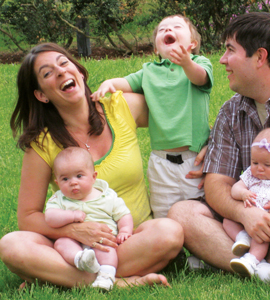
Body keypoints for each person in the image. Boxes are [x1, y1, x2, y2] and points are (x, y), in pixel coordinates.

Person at [0, 42, 184, 289]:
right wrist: (75, 232)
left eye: (64, 63)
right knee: (11, 245)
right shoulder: (42, 145)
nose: (61, 71)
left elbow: (179, 117)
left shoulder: (121, 107)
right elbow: (28, 217)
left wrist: (205, 144)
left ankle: (58, 277)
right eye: (47, 73)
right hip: (76, 248)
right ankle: (117, 282)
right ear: (41, 94)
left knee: (169, 232)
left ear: (79, 71)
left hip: (129, 240)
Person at [168, 12, 270, 293]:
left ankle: (236, 260)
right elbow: (217, 186)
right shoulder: (231, 111)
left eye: (230, 50)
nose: (222, 60)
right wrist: (245, 215)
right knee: (182, 213)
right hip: (242, 227)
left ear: (260, 57)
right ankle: (268, 271)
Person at [92, 15, 213, 218]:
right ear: (156, 49)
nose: (168, 30)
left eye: (176, 27)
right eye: (162, 30)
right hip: (161, 162)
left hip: (194, 160)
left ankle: (199, 248)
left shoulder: (198, 63)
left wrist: (186, 63)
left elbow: (200, 78)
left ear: (192, 44)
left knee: (201, 212)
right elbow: (125, 82)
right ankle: (171, 250)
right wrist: (108, 83)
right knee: (163, 215)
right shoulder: (149, 71)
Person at [45, 147, 133, 291]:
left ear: (93, 177)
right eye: (65, 179)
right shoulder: (59, 198)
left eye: (79, 176)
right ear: (57, 182)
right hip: (74, 242)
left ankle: (106, 275)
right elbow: (50, 217)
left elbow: (123, 214)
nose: (73, 182)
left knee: (108, 249)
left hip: (102, 240)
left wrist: (124, 229)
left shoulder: (107, 196)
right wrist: (71, 216)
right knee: (61, 243)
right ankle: (81, 259)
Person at [223, 128, 270, 277]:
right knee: (227, 220)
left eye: (268, 165)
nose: (259, 169)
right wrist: (243, 193)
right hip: (247, 219)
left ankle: (251, 261)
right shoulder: (251, 175)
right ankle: (243, 238)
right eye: (255, 162)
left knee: (261, 237)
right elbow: (235, 189)